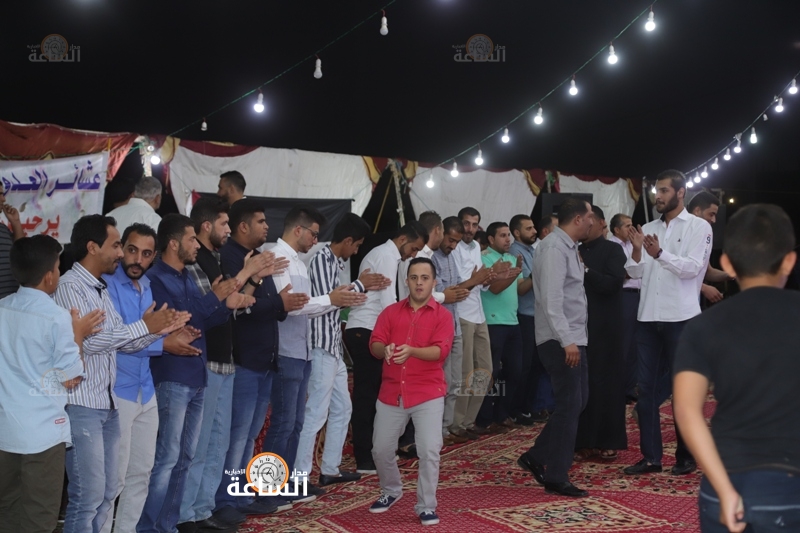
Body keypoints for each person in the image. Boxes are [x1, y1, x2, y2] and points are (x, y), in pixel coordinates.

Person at [53, 215, 187, 533]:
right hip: (83, 402)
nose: (120, 254)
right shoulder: (71, 286)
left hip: (109, 402)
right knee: (88, 498)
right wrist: (145, 327)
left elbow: (122, 341)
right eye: (117, 246)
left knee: (110, 490)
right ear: (92, 247)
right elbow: (90, 342)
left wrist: (156, 331)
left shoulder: (98, 287)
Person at [674, 204, 800, 533]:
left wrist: (725, 490)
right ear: (789, 260)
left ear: (727, 263)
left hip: (725, 481)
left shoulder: (703, 326)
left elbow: (686, 411)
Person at [139, 214, 253, 533]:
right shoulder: (156, 280)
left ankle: (172, 523)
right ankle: (150, 527)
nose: (196, 245)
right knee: (167, 458)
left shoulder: (186, 276)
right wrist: (214, 300)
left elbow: (201, 319)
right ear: (173, 244)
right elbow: (176, 322)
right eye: (191, 239)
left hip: (196, 375)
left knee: (186, 457)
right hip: (172, 376)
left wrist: (221, 303)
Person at [179, 197, 278, 530]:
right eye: (224, 224)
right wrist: (248, 273)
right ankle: (188, 514)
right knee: (200, 443)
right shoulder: (197, 262)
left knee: (218, 442)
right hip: (207, 361)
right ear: (207, 226)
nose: (228, 229)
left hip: (226, 360)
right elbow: (211, 308)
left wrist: (253, 280)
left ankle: (204, 508)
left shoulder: (216, 259)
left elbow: (232, 302)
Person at [102, 224, 200, 533]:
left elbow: (148, 335)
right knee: (113, 479)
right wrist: (164, 342)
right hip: (117, 390)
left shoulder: (146, 286)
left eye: (146, 254)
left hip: (145, 390)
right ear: (121, 248)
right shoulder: (106, 286)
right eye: (132, 250)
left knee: (142, 473)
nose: (137, 260)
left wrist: (172, 333)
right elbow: (118, 340)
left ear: (153, 256)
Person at [266, 205, 367, 500]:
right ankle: (286, 482)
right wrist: (338, 296)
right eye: (313, 234)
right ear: (299, 229)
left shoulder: (299, 262)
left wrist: (336, 297)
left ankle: (316, 473)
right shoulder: (282, 258)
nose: (315, 240)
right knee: (298, 419)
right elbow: (296, 305)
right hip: (300, 347)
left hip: (312, 348)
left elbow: (313, 303)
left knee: (314, 416)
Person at [215, 199, 306, 519]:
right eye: (261, 221)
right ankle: (225, 500)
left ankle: (240, 495)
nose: (267, 226)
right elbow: (242, 308)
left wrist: (279, 304)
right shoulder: (231, 257)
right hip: (244, 358)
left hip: (265, 358)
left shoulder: (259, 257)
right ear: (243, 226)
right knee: (237, 434)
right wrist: (279, 303)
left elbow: (268, 305)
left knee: (250, 434)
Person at [622, 170, 712, 477]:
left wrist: (659, 253)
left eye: (663, 191)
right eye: (656, 191)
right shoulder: (648, 228)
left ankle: (686, 456)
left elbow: (693, 268)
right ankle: (651, 458)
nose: (657, 196)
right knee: (646, 390)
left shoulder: (699, 227)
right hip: (648, 317)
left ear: (680, 192)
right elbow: (634, 274)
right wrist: (637, 250)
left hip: (682, 319)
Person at [0, 235, 92, 533]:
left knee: (7, 513)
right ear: (50, 276)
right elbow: (71, 378)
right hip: (42, 435)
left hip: (5, 431)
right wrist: (78, 333)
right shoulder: (57, 317)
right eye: (58, 267)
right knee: (39, 519)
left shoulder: (2, 308)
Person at [295, 214, 390, 489]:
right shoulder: (322, 260)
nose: (357, 251)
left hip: (333, 346)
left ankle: (330, 469)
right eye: (357, 245)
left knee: (342, 408)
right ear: (347, 240)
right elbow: (329, 299)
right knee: (316, 413)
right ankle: (300, 477)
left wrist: (357, 292)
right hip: (321, 345)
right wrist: (361, 285)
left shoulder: (333, 262)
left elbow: (335, 301)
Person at [368, 258, 454, 527]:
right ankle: (391, 490)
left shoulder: (443, 316)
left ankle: (426, 505)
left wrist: (412, 351)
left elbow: (441, 352)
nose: (419, 283)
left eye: (424, 278)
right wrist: (385, 350)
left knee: (429, 450)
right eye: (414, 277)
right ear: (406, 281)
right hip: (391, 392)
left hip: (427, 392)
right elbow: (375, 343)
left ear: (434, 282)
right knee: (381, 449)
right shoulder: (390, 312)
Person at [517, 197, 593, 498]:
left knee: (578, 402)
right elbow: (551, 300)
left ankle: (536, 456)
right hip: (560, 339)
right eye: (590, 217)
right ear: (577, 219)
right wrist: (566, 340)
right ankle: (556, 476)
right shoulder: (553, 248)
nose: (593, 222)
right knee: (570, 404)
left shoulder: (569, 248)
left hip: (572, 337)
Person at [345, 221, 428, 473]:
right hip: (366, 330)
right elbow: (388, 302)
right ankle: (364, 457)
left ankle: (374, 451)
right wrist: (403, 333)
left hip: (373, 330)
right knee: (367, 396)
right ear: (402, 239)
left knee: (375, 395)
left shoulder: (390, 256)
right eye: (413, 248)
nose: (413, 254)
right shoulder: (386, 255)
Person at [574, 206, 628, 460]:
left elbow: (613, 283)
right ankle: (582, 441)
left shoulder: (612, 250)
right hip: (579, 326)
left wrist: (585, 270)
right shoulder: (575, 250)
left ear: (599, 223)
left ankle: (608, 440)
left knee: (607, 384)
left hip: (607, 327)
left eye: (588, 221)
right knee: (581, 385)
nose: (584, 226)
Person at [431, 217, 491, 444]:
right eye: (450, 240)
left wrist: (480, 280)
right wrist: (474, 280)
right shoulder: (431, 258)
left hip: (457, 321)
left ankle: (455, 426)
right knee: (451, 379)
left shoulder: (455, 254)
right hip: (446, 324)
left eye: (455, 242)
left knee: (461, 378)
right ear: (439, 233)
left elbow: (457, 288)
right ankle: (446, 427)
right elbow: (447, 293)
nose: (453, 245)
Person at [451, 208, 497, 438]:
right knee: (465, 372)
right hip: (462, 313)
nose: (470, 229)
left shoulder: (477, 247)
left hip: (479, 313)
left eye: (474, 224)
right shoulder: (453, 248)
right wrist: (477, 279)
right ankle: (456, 424)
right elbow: (457, 286)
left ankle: (469, 421)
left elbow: (479, 283)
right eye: (466, 224)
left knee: (485, 370)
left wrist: (489, 278)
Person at [474, 222, 524, 432]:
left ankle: (501, 414)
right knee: (490, 372)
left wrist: (533, 275)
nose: (508, 239)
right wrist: (514, 273)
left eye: (508, 235)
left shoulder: (512, 259)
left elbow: (520, 289)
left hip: (513, 321)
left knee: (515, 370)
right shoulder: (485, 258)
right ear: (491, 239)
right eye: (502, 235)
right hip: (493, 322)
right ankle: (484, 419)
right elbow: (494, 288)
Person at [509, 214, 548, 425]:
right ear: (517, 233)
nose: (534, 231)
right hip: (524, 315)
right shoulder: (515, 253)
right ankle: (516, 409)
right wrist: (538, 271)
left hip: (538, 314)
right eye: (529, 228)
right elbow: (522, 289)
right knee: (523, 366)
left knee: (536, 365)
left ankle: (529, 407)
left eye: (534, 227)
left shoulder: (532, 250)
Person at [608, 213, 642, 402]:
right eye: (627, 226)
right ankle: (617, 389)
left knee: (635, 345)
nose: (632, 229)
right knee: (623, 344)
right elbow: (626, 273)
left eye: (632, 225)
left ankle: (629, 388)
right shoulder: (612, 247)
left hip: (639, 295)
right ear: (616, 229)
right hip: (623, 296)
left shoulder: (633, 244)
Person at [688, 191, 734, 304]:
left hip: (693, 302)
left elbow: (707, 271)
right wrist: (703, 287)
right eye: (711, 214)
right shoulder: (678, 233)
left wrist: (732, 274)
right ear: (697, 211)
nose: (714, 220)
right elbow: (670, 271)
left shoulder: (703, 235)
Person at [0, 189, 24, 299]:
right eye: (0, 194)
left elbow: (21, 253)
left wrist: (15, 222)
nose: (3, 199)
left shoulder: (3, 230)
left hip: (10, 304)